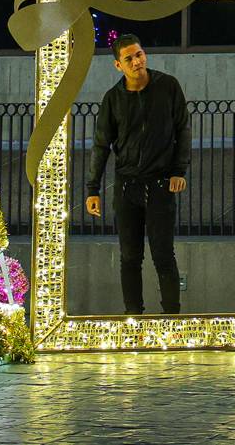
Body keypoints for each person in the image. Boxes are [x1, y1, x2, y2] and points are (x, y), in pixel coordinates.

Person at [84, 35, 189, 314]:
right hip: (126, 186)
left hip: (161, 184)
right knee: (130, 257)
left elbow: (183, 130)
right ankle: (134, 317)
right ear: (119, 65)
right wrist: (93, 189)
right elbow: (101, 144)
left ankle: (172, 319)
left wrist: (179, 171)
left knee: (164, 255)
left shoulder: (168, 86)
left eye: (139, 54)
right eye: (129, 58)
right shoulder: (112, 99)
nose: (136, 61)